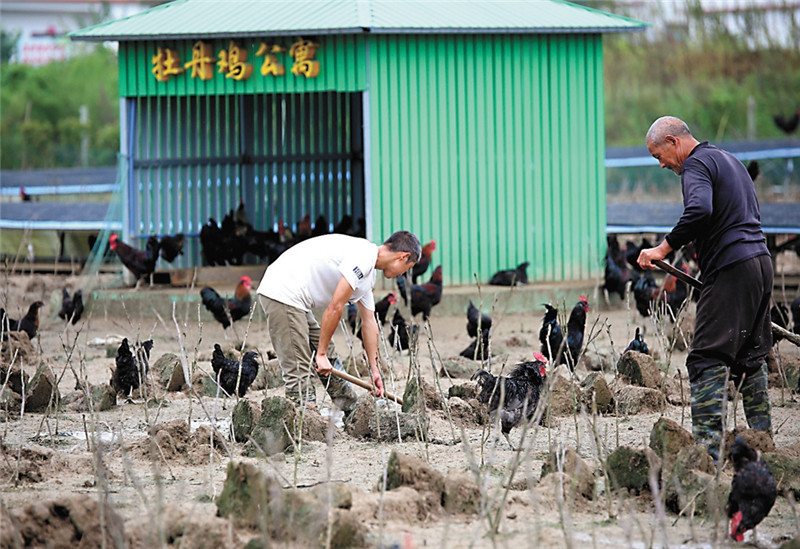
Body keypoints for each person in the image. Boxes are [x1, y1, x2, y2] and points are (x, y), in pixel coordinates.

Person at [637, 116, 773, 460]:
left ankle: (706, 457)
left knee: (706, 358)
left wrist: (662, 248)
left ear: (672, 141)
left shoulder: (695, 165)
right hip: (760, 263)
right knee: (750, 358)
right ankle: (765, 445)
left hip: (732, 269)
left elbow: (700, 209)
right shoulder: (729, 161)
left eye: (659, 156)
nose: (662, 165)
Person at [257, 230, 421, 411]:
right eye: (408, 268)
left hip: (298, 300)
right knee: (298, 364)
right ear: (402, 257)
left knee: (330, 357)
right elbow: (335, 306)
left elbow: (369, 322)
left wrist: (375, 370)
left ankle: (353, 411)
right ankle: (303, 421)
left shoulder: (368, 274)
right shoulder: (363, 256)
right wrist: (320, 354)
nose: (403, 274)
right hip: (283, 291)